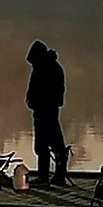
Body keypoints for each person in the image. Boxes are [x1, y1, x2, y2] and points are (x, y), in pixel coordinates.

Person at [26, 40, 67, 186]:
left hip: (47, 111)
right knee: (46, 145)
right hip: (42, 111)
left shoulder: (49, 69)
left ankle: (49, 177)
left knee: (48, 145)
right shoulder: (43, 67)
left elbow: (54, 92)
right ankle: (52, 176)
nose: (32, 64)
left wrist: (38, 103)